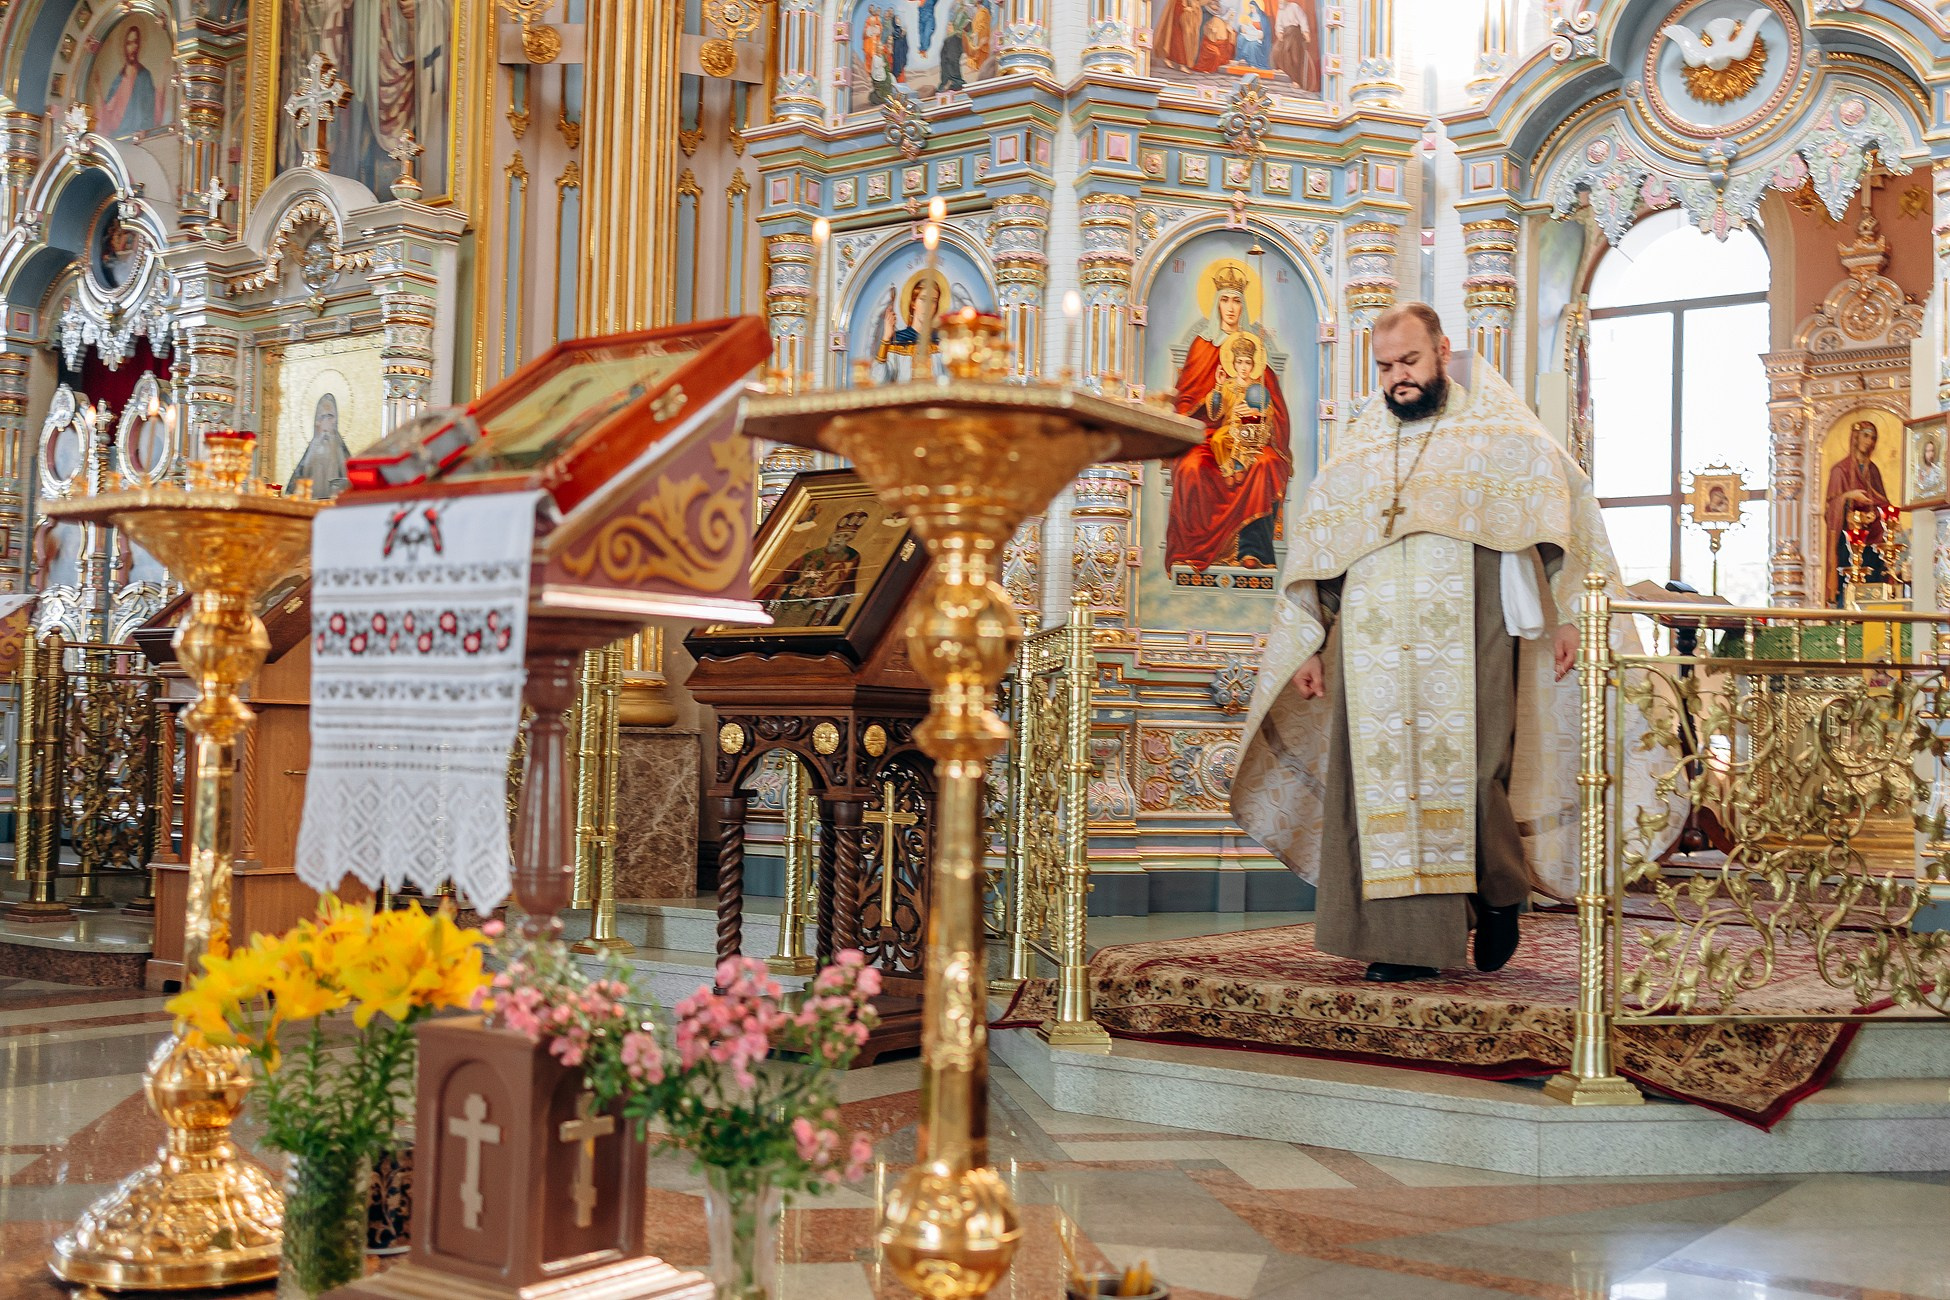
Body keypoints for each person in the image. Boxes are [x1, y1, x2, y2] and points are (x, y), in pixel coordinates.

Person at [1230, 303, 1648, 982]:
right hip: (1368, 645)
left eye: (1410, 363)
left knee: (1474, 767)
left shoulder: (1495, 430)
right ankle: (1405, 944)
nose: (1397, 379)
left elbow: (1557, 507)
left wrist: (1571, 611)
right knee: (1377, 785)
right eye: (1386, 367)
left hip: (1470, 620)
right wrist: (1311, 639)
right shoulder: (1361, 441)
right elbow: (1325, 545)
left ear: (1442, 352)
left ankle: (1501, 893)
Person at [1163, 261, 1292, 571]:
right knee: (1192, 467)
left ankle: (1253, 551)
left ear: (1243, 305)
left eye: (1236, 300)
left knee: (1267, 463)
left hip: (1247, 437)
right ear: (1215, 303)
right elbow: (1185, 404)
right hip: (1207, 437)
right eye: (1225, 299)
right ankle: (1191, 554)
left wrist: (1261, 412)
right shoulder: (1201, 347)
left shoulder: (1254, 349)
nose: (1231, 307)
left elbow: (1274, 405)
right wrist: (1215, 392)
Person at [1823, 417, 1893, 602]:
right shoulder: (1840, 470)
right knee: (1848, 582)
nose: (1869, 442)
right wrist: (1849, 496)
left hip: (1872, 538)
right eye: (1865, 436)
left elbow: (1883, 502)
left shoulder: (1874, 470)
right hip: (1849, 539)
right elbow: (1830, 508)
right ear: (1856, 437)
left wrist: (1875, 513)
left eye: (1873, 438)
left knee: (1873, 576)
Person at [760, 511, 869, 627]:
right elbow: (787, 576)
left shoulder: (851, 556)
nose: (839, 540)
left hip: (820, 600)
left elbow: (839, 583)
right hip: (795, 597)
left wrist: (822, 592)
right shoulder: (813, 554)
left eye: (845, 537)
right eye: (838, 536)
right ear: (831, 537)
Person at [99, 24, 163, 135]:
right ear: (124, 46)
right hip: (116, 137)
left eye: (135, 42)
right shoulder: (119, 78)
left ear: (139, 45)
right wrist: (98, 91)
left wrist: (143, 131)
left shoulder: (144, 76)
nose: (132, 47)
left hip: (135, 139)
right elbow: (108, 111)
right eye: (129, 43)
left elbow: (149, 112)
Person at [288, 392, 353, 500]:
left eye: (330, 416)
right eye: (322, 416)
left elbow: (350, 479)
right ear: (317, 421)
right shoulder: (311, 451)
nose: (325, 421)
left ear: (335, 420)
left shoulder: (341, 451)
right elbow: (295, 485)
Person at [1273, 0, 1321, 93]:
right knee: (1276, 50)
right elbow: (1278, 23)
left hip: (1295, 33)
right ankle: (1283, 70)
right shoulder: (1281, 10)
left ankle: (1296, 80)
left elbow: (1302, 19)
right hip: (1285, 34)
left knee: (1293, 56)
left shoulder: (1294, 6)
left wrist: (1305, 32)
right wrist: (1279, 32)